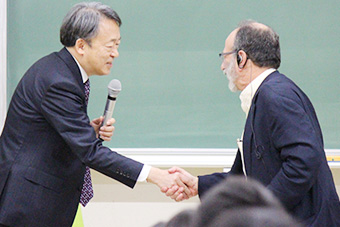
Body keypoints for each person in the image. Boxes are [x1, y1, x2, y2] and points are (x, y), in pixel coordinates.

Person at [0, 2, 190, 226]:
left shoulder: (62, 71)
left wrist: (87, 130)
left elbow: (50, 131)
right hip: (27, 208)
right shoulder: (59, 82)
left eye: (118, 45)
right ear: (81, 45)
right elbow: (90, 152)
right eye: (110, 45)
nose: (116, 53)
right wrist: (154, 175)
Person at [164, 20, 340, 226]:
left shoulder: (274, 96)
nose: (222, 66)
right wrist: (197, 184)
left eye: (225, 57)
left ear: (241, 58)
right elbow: (241, 177)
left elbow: (303, 162)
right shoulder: (264, 95)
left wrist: (263, 210)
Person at [155, 176, 302, 227]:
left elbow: (300, 166)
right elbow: (242, 174)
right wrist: (198, 183)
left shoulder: (273, 105)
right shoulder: (253, 109)